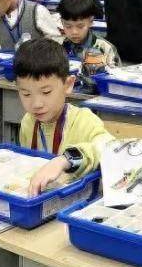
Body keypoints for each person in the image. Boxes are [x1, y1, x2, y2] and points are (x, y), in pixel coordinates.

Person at [15, 39, 116, 195]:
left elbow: (109, 147)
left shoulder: (83, 120)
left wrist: (65, 160)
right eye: (26, 94)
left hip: (78, 201)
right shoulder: (28, 122)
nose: (36, 104)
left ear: (68, 85)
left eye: (46, 92)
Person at [58, 0, 120, 67]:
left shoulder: (105, 48)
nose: (74, 32)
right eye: (68, 26)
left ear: (91, 21)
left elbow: (116, 73)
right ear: (62, 22)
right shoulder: (58, 47)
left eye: (80, 26)